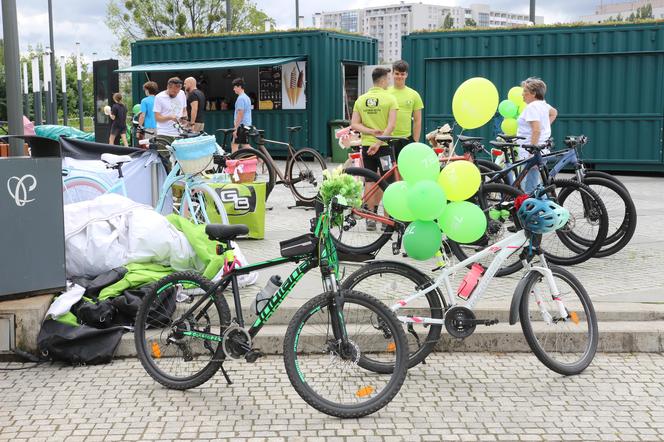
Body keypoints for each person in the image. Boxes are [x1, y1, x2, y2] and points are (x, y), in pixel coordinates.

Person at [351, 67, 398, 231]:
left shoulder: (361, 100)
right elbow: (391, 125)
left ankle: (370, 219)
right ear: (384, 80)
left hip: (366, 146)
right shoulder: (390, 99)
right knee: (389, 183)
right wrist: (378, 142)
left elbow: (354, 124)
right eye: (389, 79)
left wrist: (370, 132)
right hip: (384, 147)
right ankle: (387, 221)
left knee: (370, 181)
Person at [517, 77, 558, 193]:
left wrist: (532, 152)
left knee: (530, 187)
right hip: (542, 148)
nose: (522, 95)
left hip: (531, 150)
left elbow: (536, 130)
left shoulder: (532, 107)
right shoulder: (543, 105)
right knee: (535, 182)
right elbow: (554, 113)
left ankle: (534, 209)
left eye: (525, 91)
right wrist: (546, 126)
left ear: (533, 93)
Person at [388, 60, 423, 159]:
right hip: (387, 139)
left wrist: (415, 142)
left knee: (406, 172)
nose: (399, 76)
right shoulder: (385, 93)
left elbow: (417, 121)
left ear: (406, 75)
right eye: (397, 73)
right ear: (392, 73)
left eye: (402, 74)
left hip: (406, 139)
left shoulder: (414, 94)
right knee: (388, 172)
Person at [231, 78, 252, 152]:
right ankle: (260, 157)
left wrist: (235, 129)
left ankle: (234, 162)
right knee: (243, 145)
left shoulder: (240, 98)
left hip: (241, 126)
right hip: (246, 125)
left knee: (235, 144)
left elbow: (240, 114)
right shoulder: (247, 97)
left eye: (235, 87)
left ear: (239, 87)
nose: (233, 89)